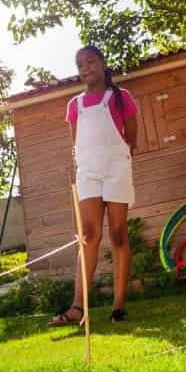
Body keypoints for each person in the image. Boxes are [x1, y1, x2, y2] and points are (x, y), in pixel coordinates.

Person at [50, 46, 138, 326]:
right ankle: (78, 307)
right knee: (88, 234)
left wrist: (119, 158)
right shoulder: (74, 105)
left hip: (116, 168)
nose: (85, 68)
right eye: (80, 64)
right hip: (88, 172)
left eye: (90, 61)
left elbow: (131, 136)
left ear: (102, 63)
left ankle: (119, 306)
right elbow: (77, 144)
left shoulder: (121, 98)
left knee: (118, 234)